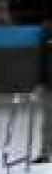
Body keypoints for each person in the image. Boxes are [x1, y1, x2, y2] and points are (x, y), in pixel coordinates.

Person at [37, 16, 51, 164]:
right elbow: (42, 58)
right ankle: (45, 153)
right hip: (49, 83)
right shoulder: (47, 29)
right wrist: (41, 81)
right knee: (47, 121)